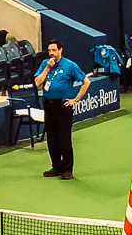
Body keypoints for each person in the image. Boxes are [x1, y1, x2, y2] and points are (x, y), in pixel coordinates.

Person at [34, 38, 90, 181]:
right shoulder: (45, 64)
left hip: (63, 106)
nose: (51, 53)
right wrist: (47, 68)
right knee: (51, 138)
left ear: (60, 50)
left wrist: (76, 100)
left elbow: (86, 82)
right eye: (49, 50)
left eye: (54, 50)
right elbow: (37, 82)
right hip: (48, 105)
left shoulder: (70, 65)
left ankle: (67, 169)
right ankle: (56, 166)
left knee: (64, 138)